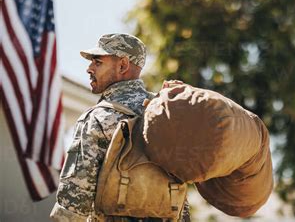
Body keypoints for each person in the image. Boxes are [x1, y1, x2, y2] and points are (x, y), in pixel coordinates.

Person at [50, 33, 190, 222]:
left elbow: (73, 203)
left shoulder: (97, 118)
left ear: (123, 65)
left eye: (97, 62)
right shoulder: (166, 112)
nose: (89, 69)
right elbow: (181, 197)